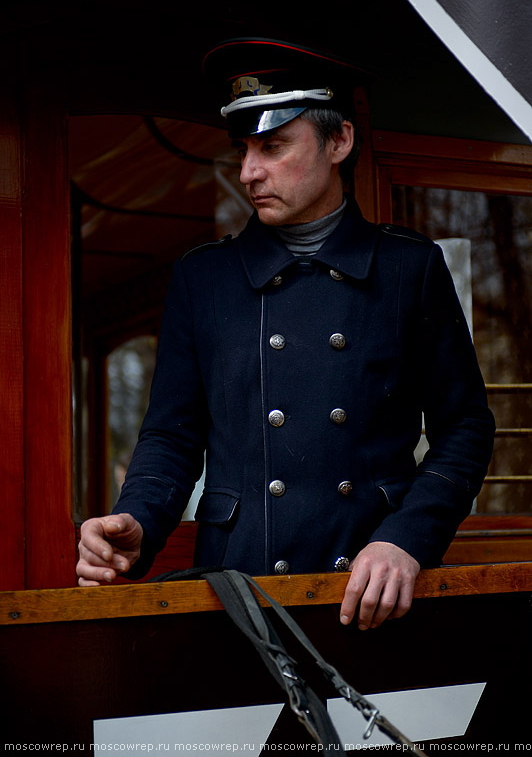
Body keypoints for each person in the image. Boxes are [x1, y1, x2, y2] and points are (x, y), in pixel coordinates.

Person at [77, 38, 495, 631]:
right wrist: (135, 520)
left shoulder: (410, 268)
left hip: (372, 590)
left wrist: (407, 539)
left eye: (273, 146)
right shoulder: (204, 279)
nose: (249, 171)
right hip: (239, 594)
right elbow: (171, 436)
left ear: (339, 142)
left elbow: (465, 429)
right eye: (244, 148)